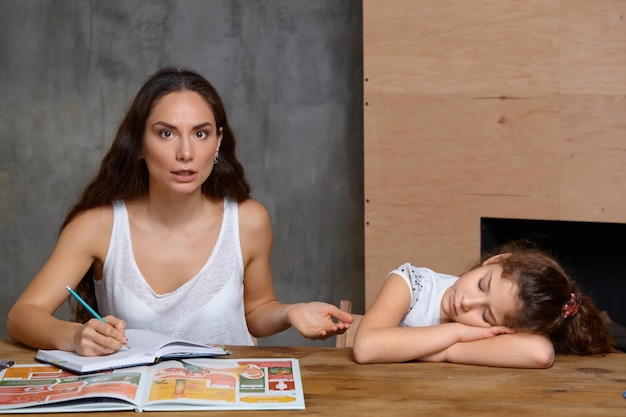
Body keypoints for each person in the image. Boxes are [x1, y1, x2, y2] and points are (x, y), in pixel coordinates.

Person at [7, 67, 353, 356]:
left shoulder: (248, 220)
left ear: (218, 141)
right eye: (167, 133)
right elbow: (23, 315)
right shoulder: (98, 226)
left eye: (200, 133)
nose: (186, 152)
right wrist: (73, 337)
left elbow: (255, 311)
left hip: (229, 401)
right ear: (139, 143)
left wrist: (291, 312)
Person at [352, 241, 615, 368]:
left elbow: (540, 353)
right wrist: (455, 333)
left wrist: (445, 352)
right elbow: (366, 348)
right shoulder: (411, 284)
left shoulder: (488, 330)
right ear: (494, 260)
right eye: (482, 285)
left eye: (487, 315)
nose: (467, 302)